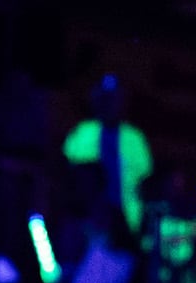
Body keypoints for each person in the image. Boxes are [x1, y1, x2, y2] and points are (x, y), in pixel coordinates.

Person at [62, 75, 152, 233]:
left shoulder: (134, 138)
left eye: (115, 99)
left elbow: (145, 180)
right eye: (105, 99)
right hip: (88, 220)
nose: (110, 104)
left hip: (127, 217)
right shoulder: (82, 132)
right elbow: (69, 174)